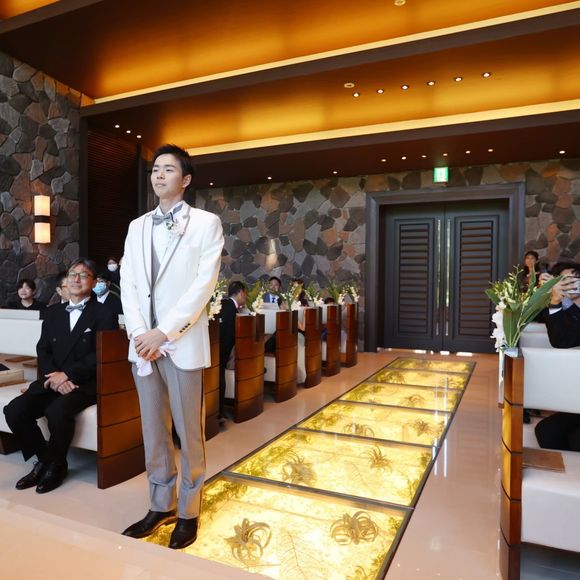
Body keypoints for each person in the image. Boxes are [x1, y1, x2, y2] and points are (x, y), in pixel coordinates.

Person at [120, 144, 224, 550]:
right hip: (144, 346)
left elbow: (203, 286)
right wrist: (140, 333)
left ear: (186, 179)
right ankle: (160, 504)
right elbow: (129, 282)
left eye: (168, 169)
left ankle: (189, 511)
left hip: (180, 344)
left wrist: (164, 332)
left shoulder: (206, 223)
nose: (159, 175)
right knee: (153, 430)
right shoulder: (137, 226)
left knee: (189, 432)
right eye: (155, 169)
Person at [3, 258, 118, 493]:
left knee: (56, 411)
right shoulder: (53, 312)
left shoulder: (105, 313)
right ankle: (45, 459)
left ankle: (55, 466)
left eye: (83, 275)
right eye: (72, 274)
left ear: (94, 282)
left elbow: (100, 354)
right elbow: (43, 349)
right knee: (14, 410)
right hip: (52, 380)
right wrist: (54, 377)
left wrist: (67, 375)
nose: (76, 279)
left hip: (84, 383)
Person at [535, 263, 580, 451]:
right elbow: (560, 339)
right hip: (573, 387)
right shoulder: (566, 306)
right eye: (563, 280)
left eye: (573, 279)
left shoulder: (571, 308)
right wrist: (545, 295)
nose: (568, 283)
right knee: (545, 431)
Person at [218, 281, 247, 416]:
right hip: (222, 350)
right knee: (219, 379)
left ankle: (219, 410)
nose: (245, 296)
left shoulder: (223, 304)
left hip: (217, 348)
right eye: (245, 293)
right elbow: (229, 333)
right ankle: (220, 411)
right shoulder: (231, 309)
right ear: (240, 293)